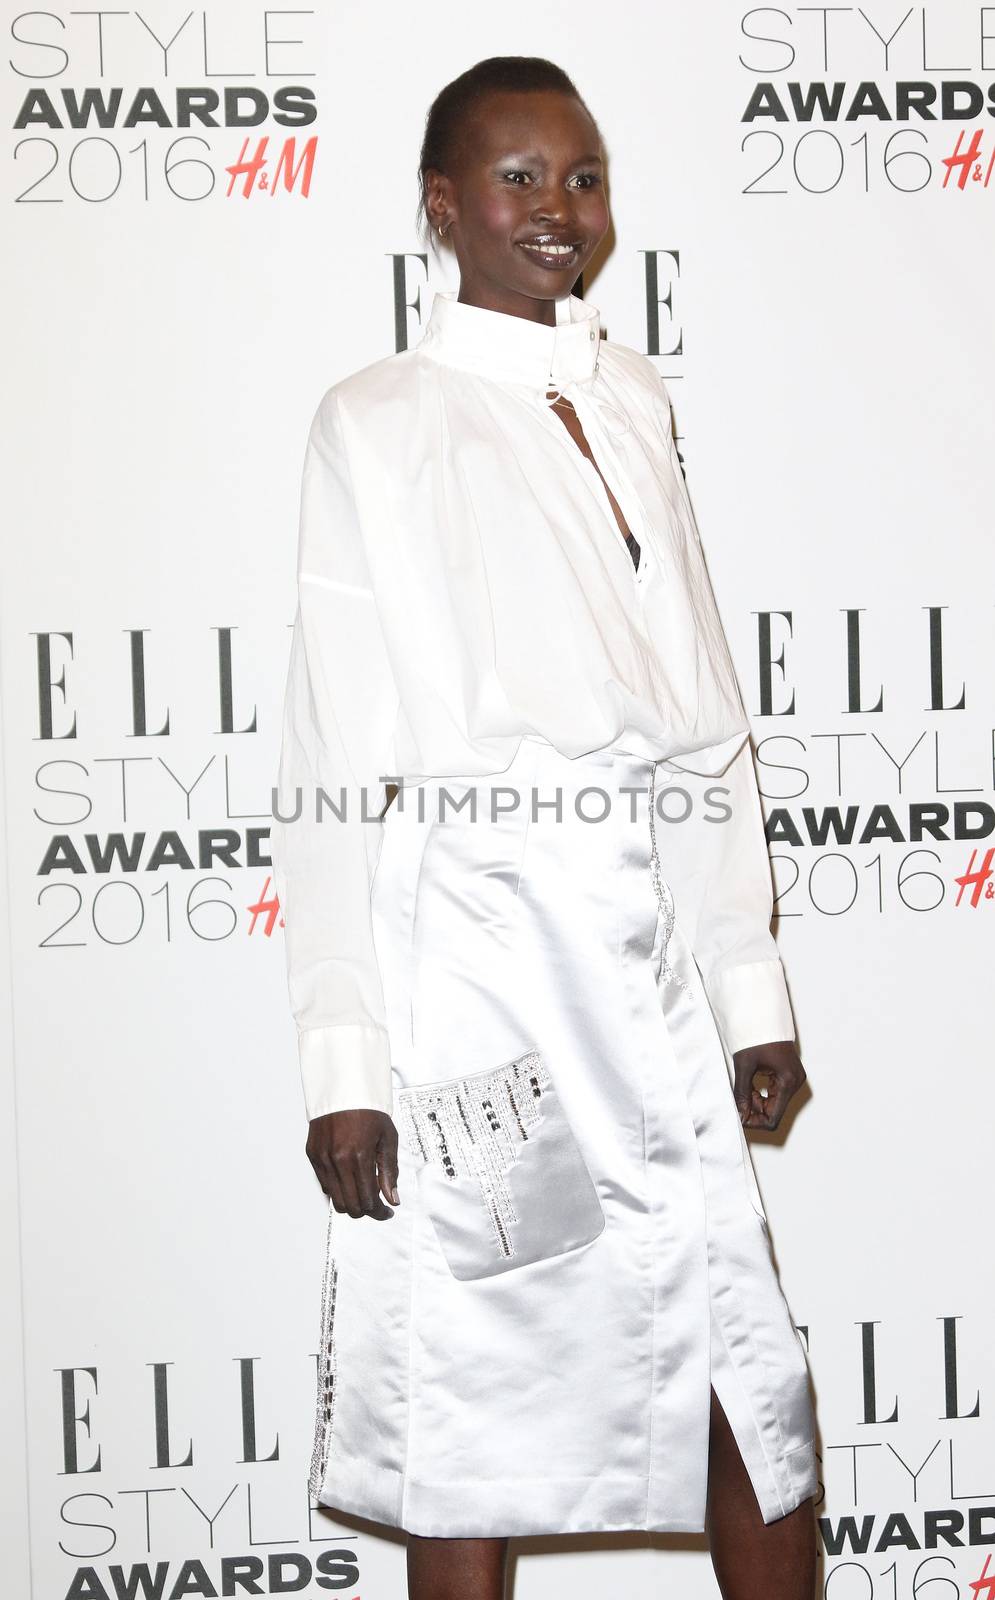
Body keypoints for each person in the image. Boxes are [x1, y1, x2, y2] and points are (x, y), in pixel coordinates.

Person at [270, 54, 819, 1600]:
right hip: (482, 988)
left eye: (581, 176)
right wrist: (346, 1062)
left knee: (754, 1393)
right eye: (518, 178)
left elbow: (706, 719)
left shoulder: (634, 395)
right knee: (478, 1411)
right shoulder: (375, 421)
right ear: (442, 205)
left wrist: (749, 988)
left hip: (644, 967)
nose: (559, 208)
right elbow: (327, 757)